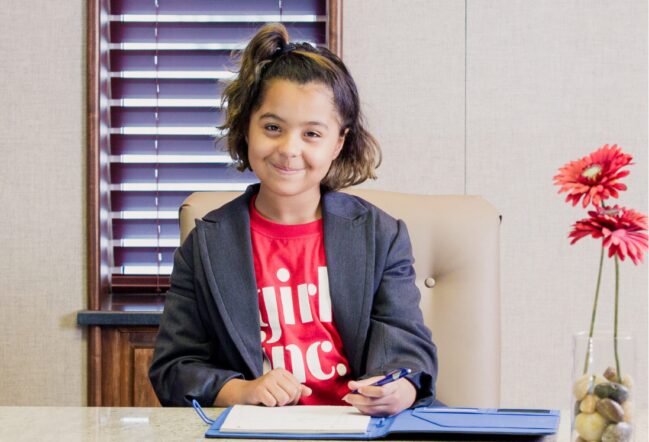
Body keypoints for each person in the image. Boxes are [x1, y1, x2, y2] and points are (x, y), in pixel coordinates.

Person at [149, 23, 438, 417]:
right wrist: (241, 390)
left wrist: (399, 390)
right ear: (246, 128)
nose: (289, 149)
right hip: (258, 429)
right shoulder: (205, 245)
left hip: (356, 426)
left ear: (339, 142)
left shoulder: (380, 235)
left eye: (312, 134)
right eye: (272, 128)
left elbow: (407, 349)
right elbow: (172, 370)